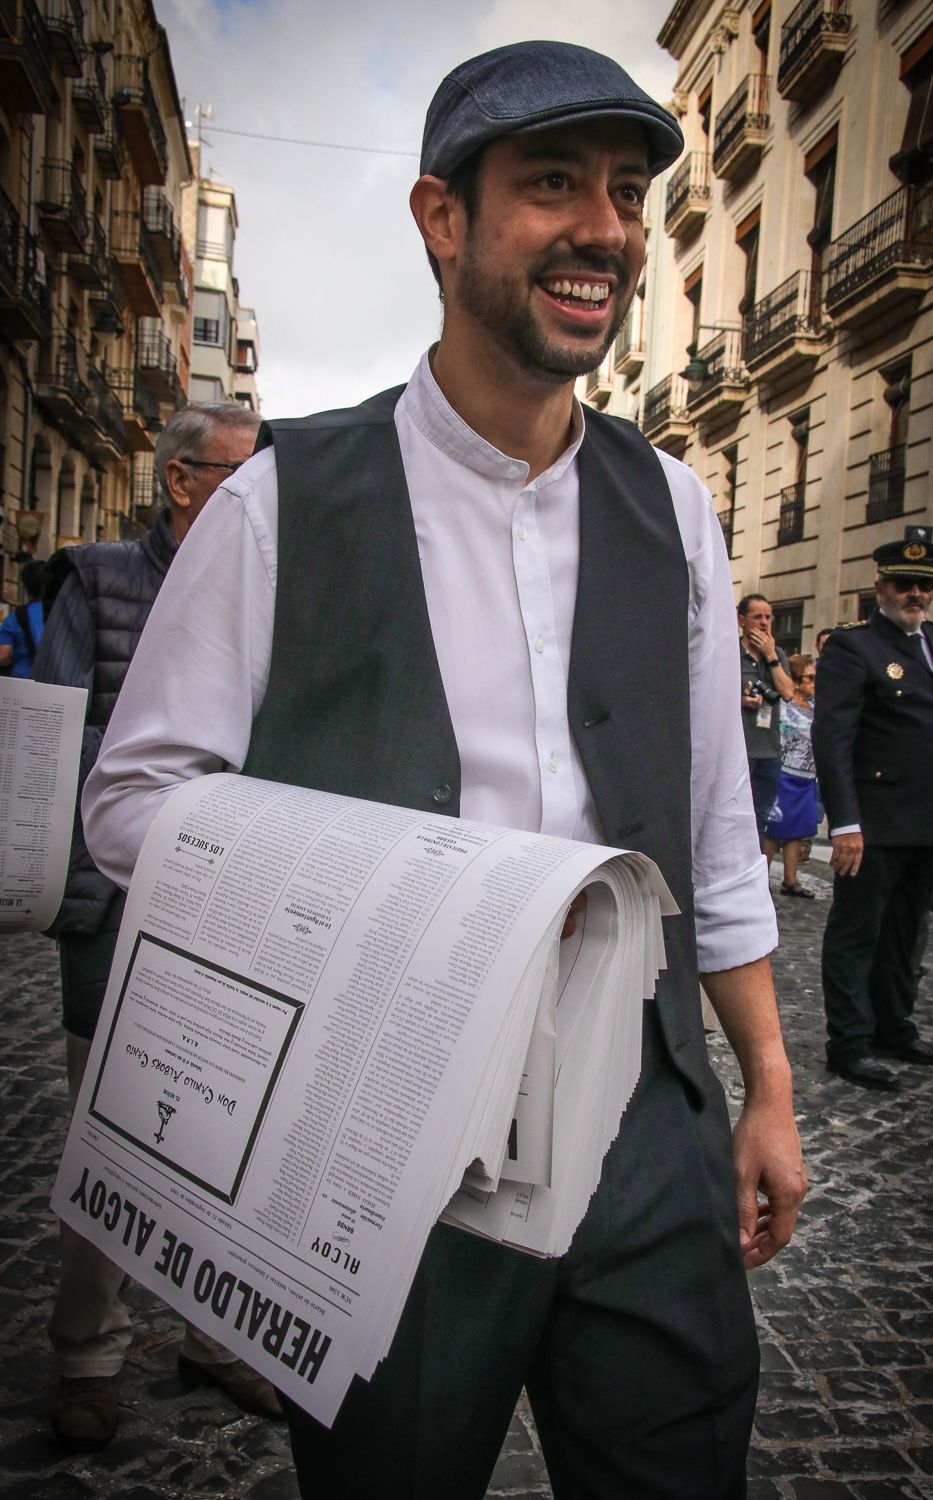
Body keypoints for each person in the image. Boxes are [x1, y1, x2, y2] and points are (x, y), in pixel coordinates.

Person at [83, 42, 806, 1498]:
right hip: (383, 1140)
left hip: (648, 1118)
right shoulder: (283, 501)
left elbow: (717, 828)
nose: (603, 227)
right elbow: (131, 805)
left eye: (621, 193)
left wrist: (767, 1083)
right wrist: (384, 894)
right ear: (441, 218)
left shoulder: (670, 507)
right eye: (551, 185)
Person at [33, 404, 278, 1448]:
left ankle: (213, 1336)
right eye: (240, 470)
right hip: (113, 903)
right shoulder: (97, 579)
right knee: (113, 1127)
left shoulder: (277, 580)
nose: (265, 492)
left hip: (237, 911)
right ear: (182, 481)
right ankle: (88, 1352)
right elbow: (49, 741)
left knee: (227, 1127)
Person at [813, 536, 933, 1091]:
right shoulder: (853, 648)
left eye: (923, 585)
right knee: (857, 934)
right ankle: (850, 1042)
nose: (914, 593)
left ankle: (894, 1026)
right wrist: (845, 822)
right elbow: (833, 738)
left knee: (906, 934)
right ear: (879, 587)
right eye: (902, 584)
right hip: (876, 823)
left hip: (929, 822)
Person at [738, 594, 795, 845]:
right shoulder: (731, 651)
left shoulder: (777, 654)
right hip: (740, 751)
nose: (764, 623)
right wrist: (740, 701)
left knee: (760, 818)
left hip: (768, 752)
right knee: (734, 819)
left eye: (768, 617)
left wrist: (770, 656)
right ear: (742, 620)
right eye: (757, 617)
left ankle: (757, 879)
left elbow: (788, 692)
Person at [764, 655, 818, 898]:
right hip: (786, 775)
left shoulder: (815, 708)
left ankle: (790, 879)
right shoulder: (787, 708)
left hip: (807, 777)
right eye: (810, 678)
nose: (814, 682)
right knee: (775, 829)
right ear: (795, 681)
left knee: (797, 829)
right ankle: (760, 878)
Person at [0, 559, 45, 675]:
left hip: (21, 684)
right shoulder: (59, 614)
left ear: (25, 586)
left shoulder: (16, 617)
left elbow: (3, 655)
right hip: (55, 684)